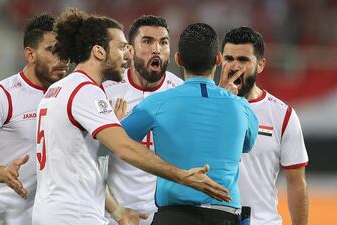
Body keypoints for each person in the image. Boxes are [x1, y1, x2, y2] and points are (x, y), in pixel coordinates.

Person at [32, 8, 230, 225]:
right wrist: (182, 176)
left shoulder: (58, 89)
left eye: (163, 42)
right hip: (75, 214)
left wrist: (119, 212)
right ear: (99, 52)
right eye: (121, 47)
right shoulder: (87, 92)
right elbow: (124, 147)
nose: (127, 55)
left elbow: (86, 161)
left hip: (54, 208)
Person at [119, 22, 259, 225]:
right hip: (226, 216)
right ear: (218, 59)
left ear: (178, 59)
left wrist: (115, 120)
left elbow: (118, 141)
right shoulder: (241, 107)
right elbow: (247, 145)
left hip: (175, 217)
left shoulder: (156, 103)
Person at [0, 14, 69, 225]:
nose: (62, 59)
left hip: (37, 213)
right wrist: (2, 173)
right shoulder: (2, 96)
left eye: (65, 51)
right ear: (30, 54)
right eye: (52, 50)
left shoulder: (70, 97)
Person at [220, 26, 309, 225]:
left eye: (243, 60)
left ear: (260, 65)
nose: (234, 66)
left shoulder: (282, 115)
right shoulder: (204, 107)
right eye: (229, 59)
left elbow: (296, 182)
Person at [102, 15, 183, 225]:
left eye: (163, 42)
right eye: (147, 41)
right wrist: (112, 134)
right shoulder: (105, 90)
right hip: (112, 216)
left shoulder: (181, 93)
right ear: (130, 50)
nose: (156, 49)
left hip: (164, 216)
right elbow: (87, 158)